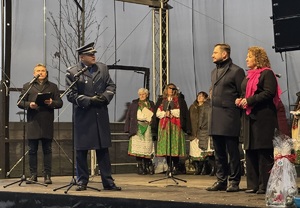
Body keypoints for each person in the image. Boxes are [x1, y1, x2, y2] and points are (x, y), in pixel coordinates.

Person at [65, 42, 121, 191]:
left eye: (94, 54)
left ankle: (108, 182)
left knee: (103, 150)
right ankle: (82, 181)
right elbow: (71, 95)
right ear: (82, 57)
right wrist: (89, 100)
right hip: (83, 116)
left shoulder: (102, 68)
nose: (93, 56)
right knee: (81, 150)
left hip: (100, 115)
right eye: (90, 55)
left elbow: (111, 86)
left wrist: (104, 97)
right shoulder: (72, 72)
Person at [236, 46, 281, 194]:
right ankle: (252, 184)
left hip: (264, 117)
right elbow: (245, 93)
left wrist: (249, 100)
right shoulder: (248, 76)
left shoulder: (267, 73)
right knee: (250, 150)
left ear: (258, 58)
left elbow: (269, 92)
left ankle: (265, 185)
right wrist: (241, 100)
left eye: (249, 56)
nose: (246, 59)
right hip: (249, 117)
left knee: (263, 151)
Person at [206, 43, 245, 192]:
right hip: (215, 116)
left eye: (215, 52)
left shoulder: (236, 71)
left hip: (229, 116)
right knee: (219, 152)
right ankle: (221, 179)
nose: (212, 55)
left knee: (232, 151)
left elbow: (243, 93)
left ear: (225, 54)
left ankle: (234, 181)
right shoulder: (213, 72)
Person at [17, 63, 63, 184]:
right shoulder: (28, 86)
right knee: (32, 150)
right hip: (33, 121)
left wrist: (52, 102)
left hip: (47, 121)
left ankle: (47, 175)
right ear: (34, 73)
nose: (40, 72)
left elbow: (60, 103)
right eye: (38, 71)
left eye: (43, 70)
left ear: (46, 73)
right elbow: (20, 102)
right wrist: (29, 105)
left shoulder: (52, 87)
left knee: (47, 150)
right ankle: (33, 175)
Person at [154, 83, 191, 175]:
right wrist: (165, 114)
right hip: (164, 126)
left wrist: (171, 112)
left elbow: (182, 113)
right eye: (169, 88)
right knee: (166, 147)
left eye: (173, 89)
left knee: (174, 146)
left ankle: (176, 166)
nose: (171, 90)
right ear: (166, 90)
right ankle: (169, 166)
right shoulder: (161, 100)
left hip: (175, 127)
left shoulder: (180, 100)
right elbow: (157, 113)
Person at [124, 88, 155, 175]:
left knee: (147, 147)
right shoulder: (134, 104)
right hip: (137, 128)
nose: (141, 96)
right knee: (138, 149)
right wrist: (127, 128)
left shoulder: (151, 104)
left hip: (148, 127)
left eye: (143, 94)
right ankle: (140, 166)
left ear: (147, 95)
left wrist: (152, 121)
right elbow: (129, 116)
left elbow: (154, 115)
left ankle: (147, 165)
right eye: (140, 94)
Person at [188, 91, 214, 175]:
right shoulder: (192, 107)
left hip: (202, 132)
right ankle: (197, 168)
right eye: (198, 96)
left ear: (205, 98)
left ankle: (205, 168)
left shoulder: (206, 107)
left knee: (203, 152)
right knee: (194, 152)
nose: (199, 97)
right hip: (193, 131)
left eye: (202, 96)